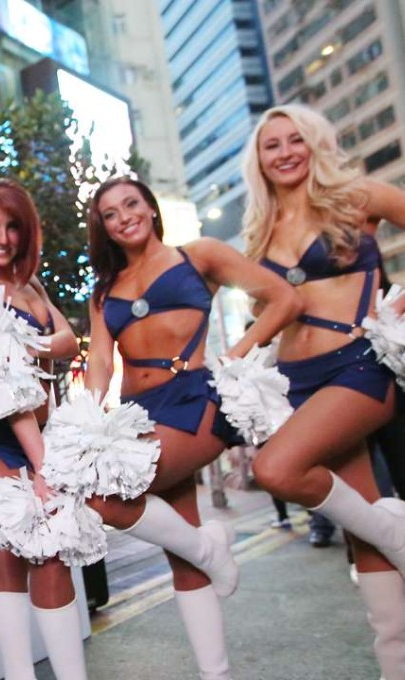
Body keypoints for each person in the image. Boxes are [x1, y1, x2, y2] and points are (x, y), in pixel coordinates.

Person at [85, 176, 301, 680]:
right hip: (135, 412)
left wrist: (233, 358)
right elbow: (98, 358)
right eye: (110, 214)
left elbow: (284, 299)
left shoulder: (197, 255)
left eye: (131, 204)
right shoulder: (104, 292)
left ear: (151, 208)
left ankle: (210, 546)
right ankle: (215, 670)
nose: (124, 217)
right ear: (105, 229)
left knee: (104, 498)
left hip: (194, 399)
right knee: (181, 553)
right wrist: (90, 422)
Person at [243, 103, 405, 678]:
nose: (285, 152)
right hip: (296, 380)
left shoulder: (354, 197)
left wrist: (398, 307)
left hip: (359, 365)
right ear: (258, 161)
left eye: (295, 140)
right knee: (363, 528)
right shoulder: (260, 229)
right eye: (272, 145)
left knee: (277, 469)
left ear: (313, 144)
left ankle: (399, 532)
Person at [0, 179, 85, 680]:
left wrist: (35, 344)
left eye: (12, 226)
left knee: (47, 558)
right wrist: (42, 465)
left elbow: (69, 340)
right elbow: (7, 393)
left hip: (36, 437)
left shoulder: (33, 289)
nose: (2, 238)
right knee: (32, 555)